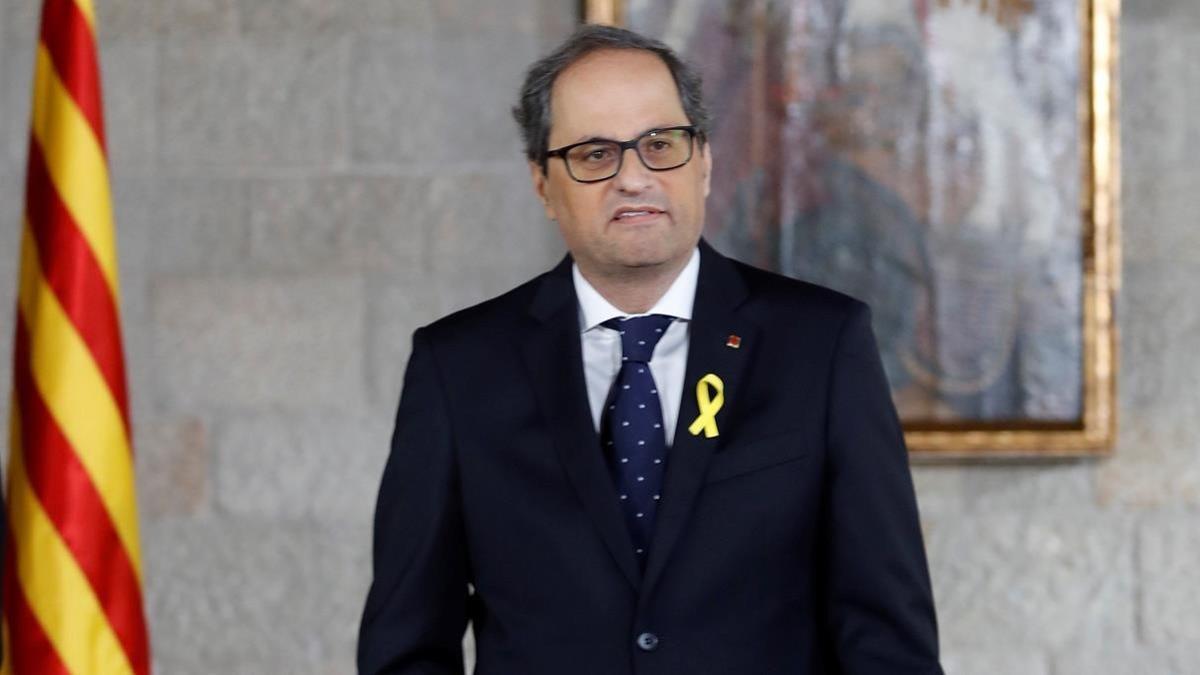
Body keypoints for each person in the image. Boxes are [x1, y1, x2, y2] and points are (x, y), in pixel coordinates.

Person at [357, 24, 943, 675]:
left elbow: (889, 641)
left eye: (660, 144)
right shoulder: (458, 368)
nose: (633, 178)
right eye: (594, 154)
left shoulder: (823, 346)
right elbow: (405, 646)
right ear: (542, 183)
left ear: (705, 161)